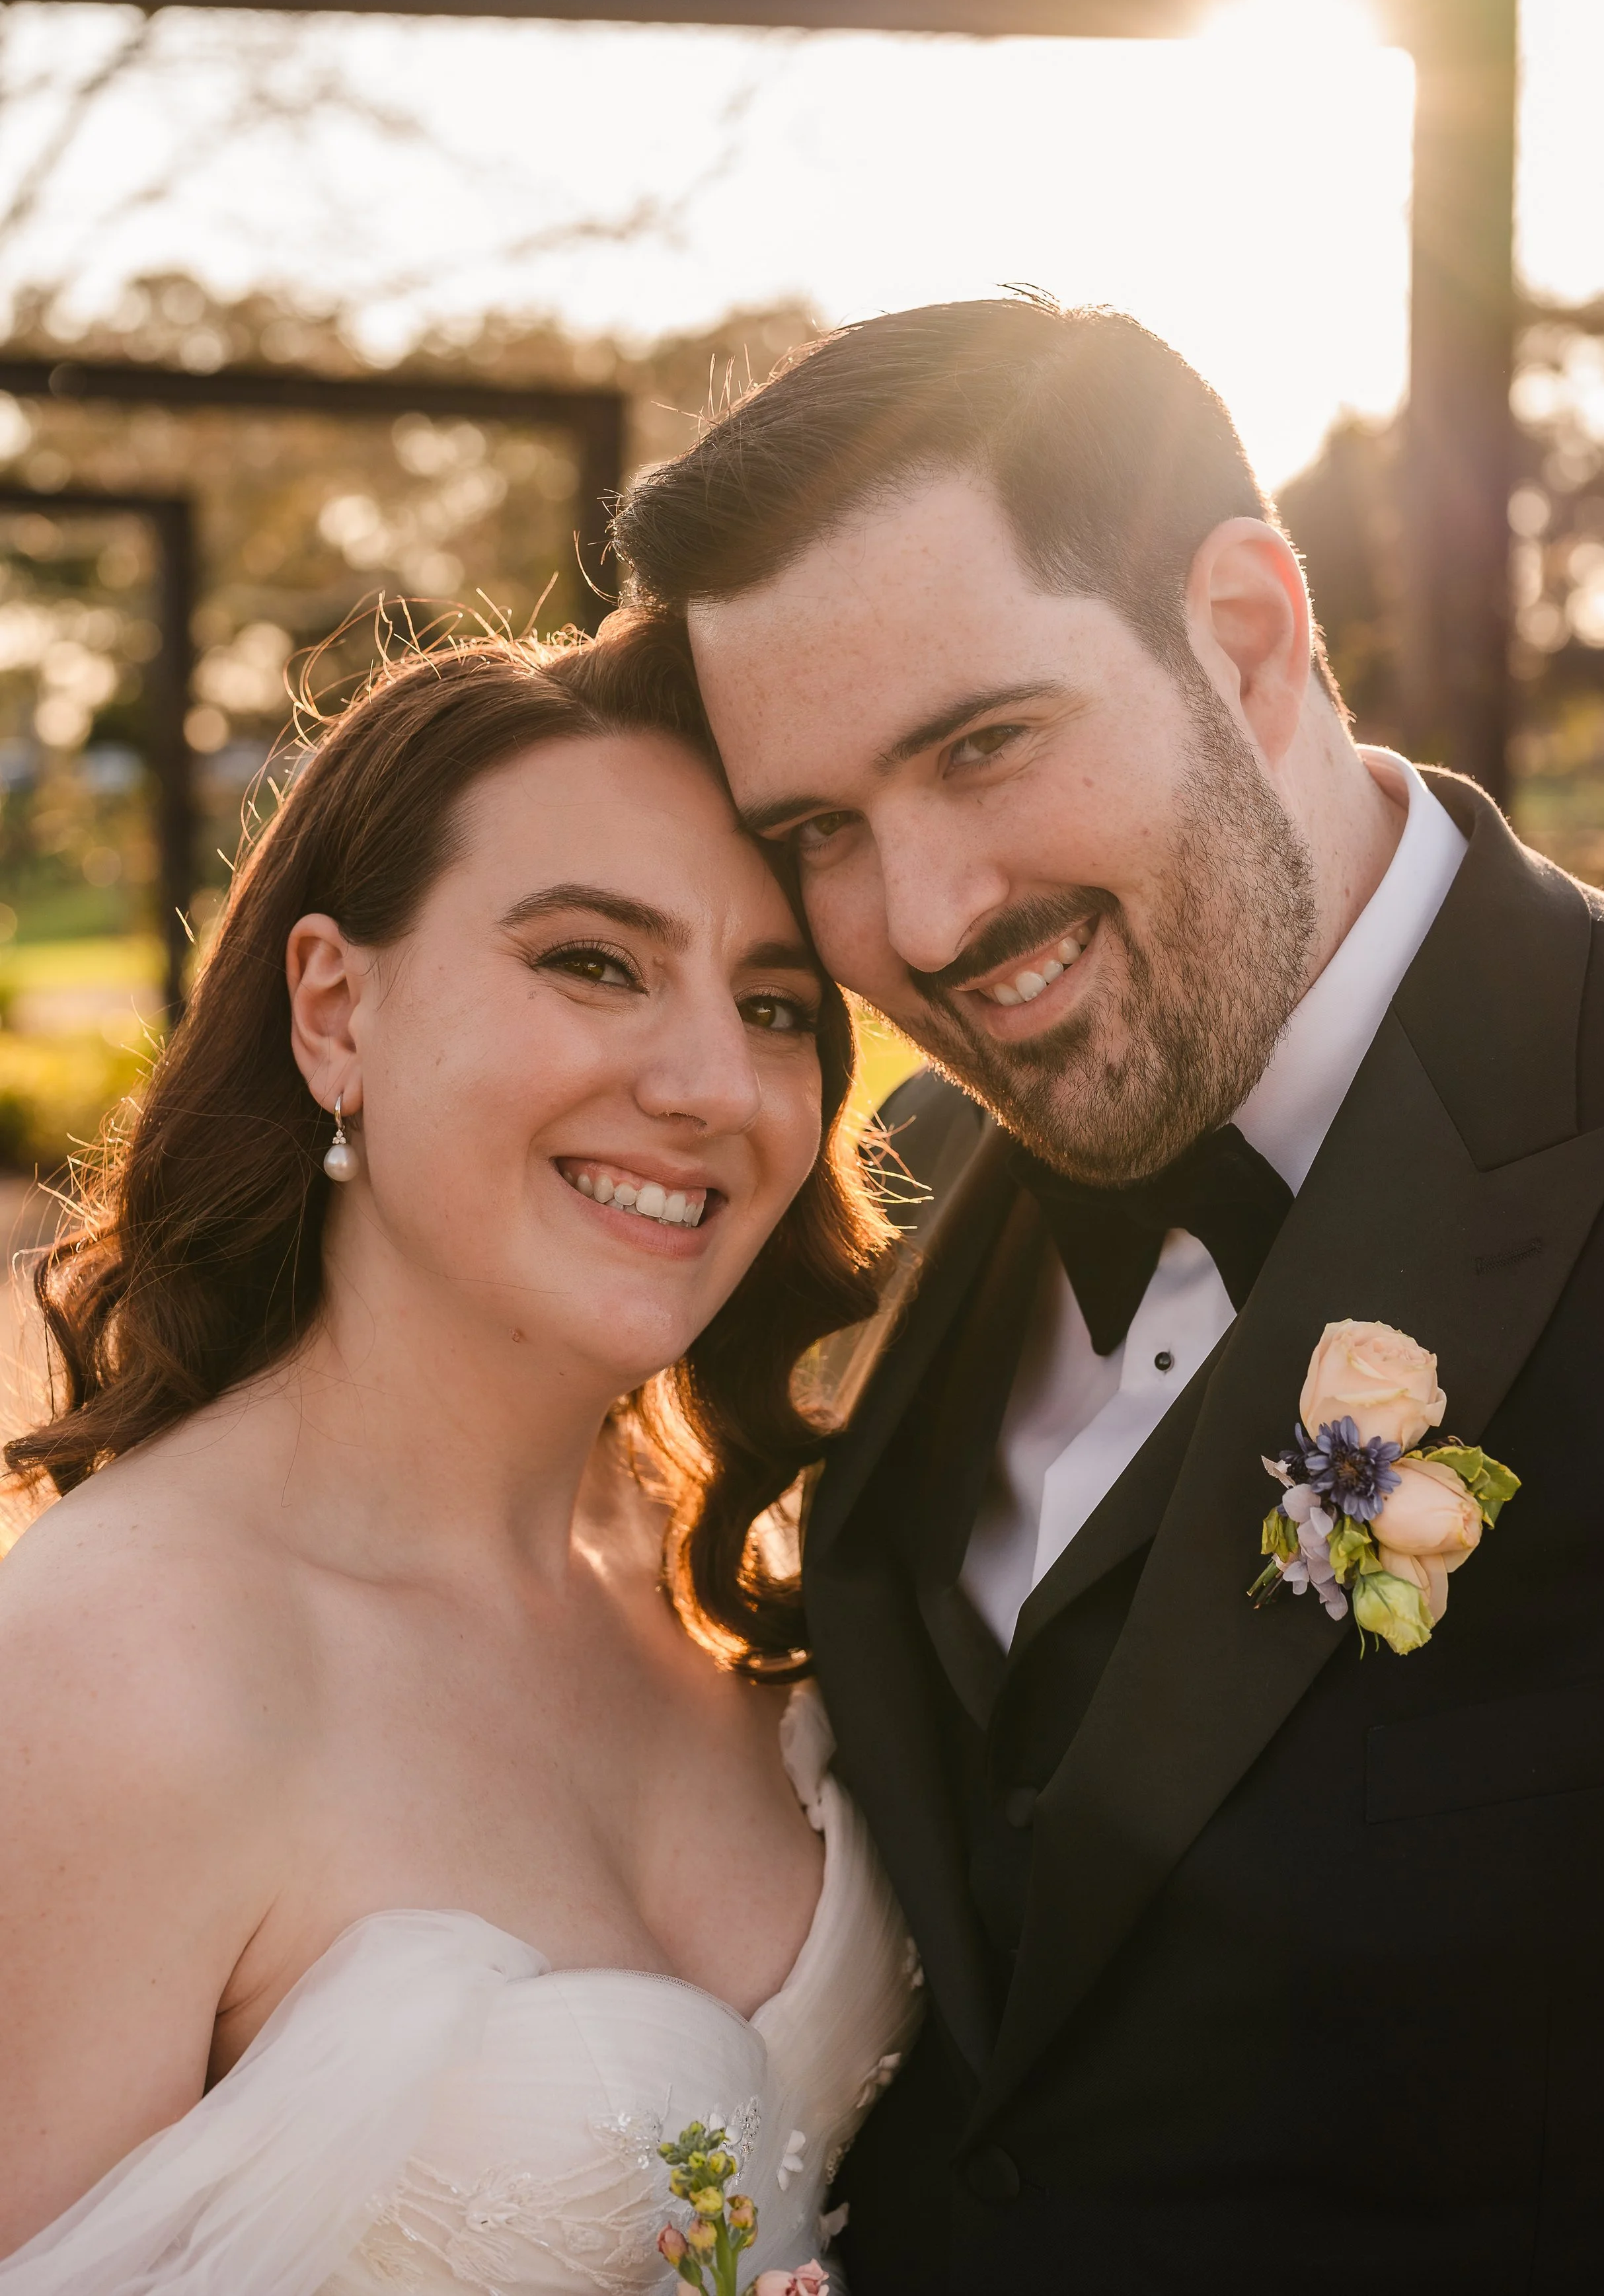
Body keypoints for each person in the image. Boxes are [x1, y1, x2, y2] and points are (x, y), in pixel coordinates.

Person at [611, 295, 1604, 2293]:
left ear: (1244, 637)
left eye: (981, 745)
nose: (922, 922)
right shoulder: (890, 1193)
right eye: (819, 832)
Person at [0, 625, 922, 2293]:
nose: (712, 1084)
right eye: (593, 962)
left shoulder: (738, 1574)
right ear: (334, 1011)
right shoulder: (109, 1669)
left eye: (774, 1005)